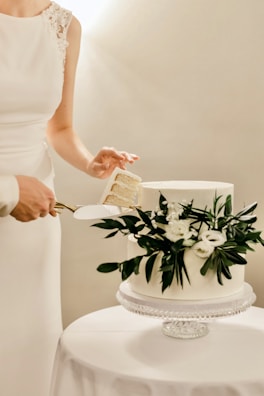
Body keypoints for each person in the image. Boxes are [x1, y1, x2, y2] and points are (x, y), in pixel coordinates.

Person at [0, 1, 139, 395]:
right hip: (7, 194)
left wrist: (90, 163)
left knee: (30, 342)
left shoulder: (65, 26)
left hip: (35, 221)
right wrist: (9, 188)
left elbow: (59, 127)